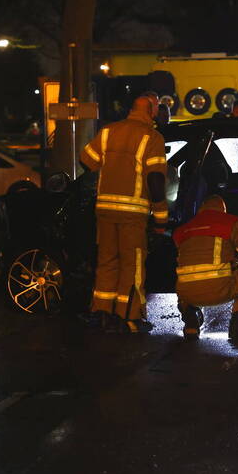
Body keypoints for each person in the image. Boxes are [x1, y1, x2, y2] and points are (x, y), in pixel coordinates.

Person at [80, 95, 169, 333]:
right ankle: (129, 317)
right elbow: (156, 180)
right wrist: (161, 218)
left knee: (107, 261)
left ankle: (101, 313)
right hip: (133, 212)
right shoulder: (152, 137)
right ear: (150, 110)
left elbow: (86, 161)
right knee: (133, 265)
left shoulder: (109, 131)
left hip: (105, 210)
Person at [172, 195, 238, 343]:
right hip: (221, 290)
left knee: (185, 274)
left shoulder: (182, 230)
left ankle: (191, 324)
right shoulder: (230, 222)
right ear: (222, 210)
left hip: (188, 294)